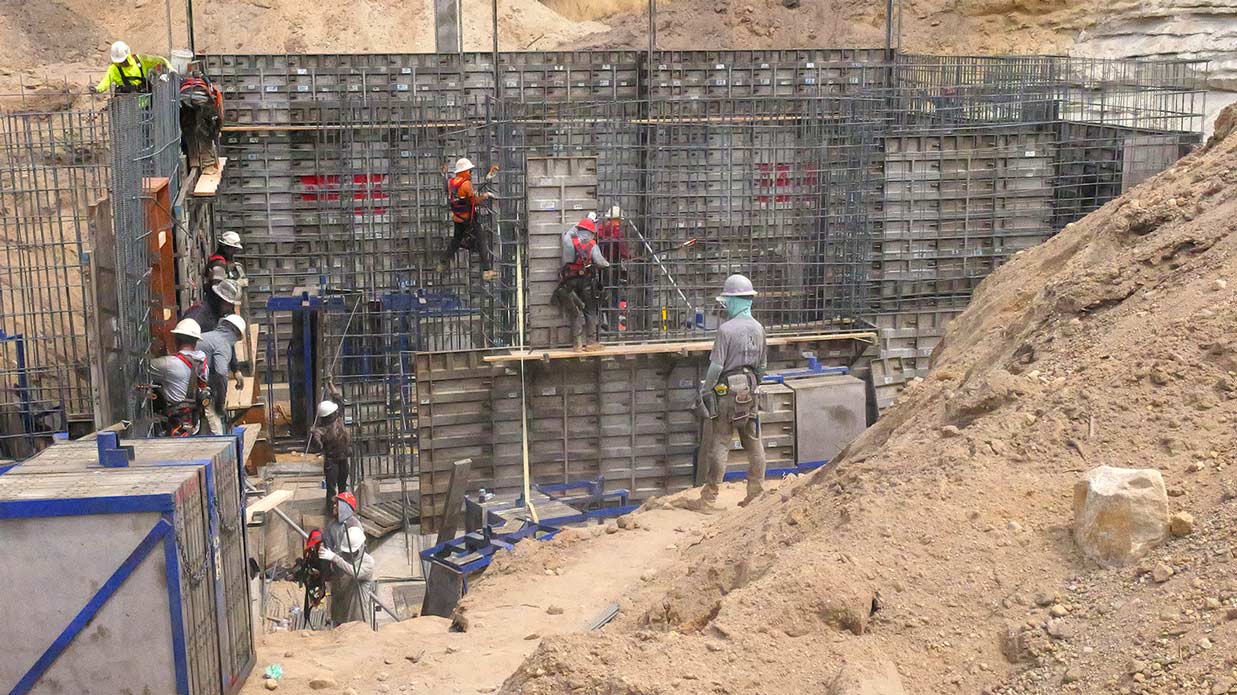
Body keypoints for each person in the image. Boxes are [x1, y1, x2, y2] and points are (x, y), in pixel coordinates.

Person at [685, 274, 768, 510]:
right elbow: (762, 366)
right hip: (750, 389)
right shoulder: (759, 329)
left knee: (720, 443)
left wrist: (706, 389)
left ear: (734, 301)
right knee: (753, 441)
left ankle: (709, 497)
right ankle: (755, 492)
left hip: (726, 393)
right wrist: (753, 384)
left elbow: (717, 366)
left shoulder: (726, 331)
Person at [554, 214, 610, 351]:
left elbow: (570, 232)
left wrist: (580, 223)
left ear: (579, 229)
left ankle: (577, 344)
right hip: (586, 282)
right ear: (591, 232)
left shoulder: (568, 240)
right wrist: (607, 263)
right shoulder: (592, 245)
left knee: (575, 313)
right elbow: (602, 263)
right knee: (589, 311)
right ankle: (591, 342)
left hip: (569, 282)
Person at [436, 157, 497, 282]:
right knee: (481, 241)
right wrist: (485, 196)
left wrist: (487, 178)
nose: (470, 173)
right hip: (468, 220)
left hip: (457, 219)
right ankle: (487, 271)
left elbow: (452, 191)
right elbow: (473, 202)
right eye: (469, 171)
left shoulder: (452, 182)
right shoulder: (466, 184)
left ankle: (442, 263)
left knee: (455, 241)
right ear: (464, 171)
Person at [149, 319, 209, 436]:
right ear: (196, 341)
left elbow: (142, 367)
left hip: (174, 426)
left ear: (176, 339)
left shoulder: (169, 364)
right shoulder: (203, 364)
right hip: (194, 424)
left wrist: (156, 351)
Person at [198, 314, 246, 435]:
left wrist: (236, 370)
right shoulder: (223, 344)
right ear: (237, 334)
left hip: (186, 384)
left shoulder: (207, 337)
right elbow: (221, 373)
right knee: (217, 431)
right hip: (197, 388)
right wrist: (220, 403)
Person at [318, 525, 375, 626]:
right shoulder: (342, 556)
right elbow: (332, 573)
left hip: (357, 613)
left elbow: (355, 573)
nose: (348, 555)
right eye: (347, 552)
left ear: (361, 546)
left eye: (352, 552)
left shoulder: (368, 562)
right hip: (340, 610)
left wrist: (335, 558)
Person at [309, 380, 351, 515]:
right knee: (332, 489)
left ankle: (343, 511)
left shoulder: (337, 418)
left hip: (343, 458)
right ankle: (331, 512)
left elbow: (338, 398)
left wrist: (330, 384)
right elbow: (317, 446)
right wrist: (314, 436)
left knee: (343, 487)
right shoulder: (322, 429)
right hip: (332, 462)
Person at [596, 206, 633, 328]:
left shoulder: (600, 229)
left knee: (603, 294)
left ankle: (603, 321)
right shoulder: (617, 231)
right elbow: (623, 250)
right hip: (613, 267)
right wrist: (629, 256)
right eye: (619, 220)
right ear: (614, 219)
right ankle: (613, 327)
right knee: (614, 296)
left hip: (600, 268)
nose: (620, 223)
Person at [94, 41, 172, 94]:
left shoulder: (140, 60)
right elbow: (105, 82)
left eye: (123, 60)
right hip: (125, 107)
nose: (121, 63)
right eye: (119, 62)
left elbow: (160, 60)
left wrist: (171, 69)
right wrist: (97, 89)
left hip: (145, 104)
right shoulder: (114, 69)